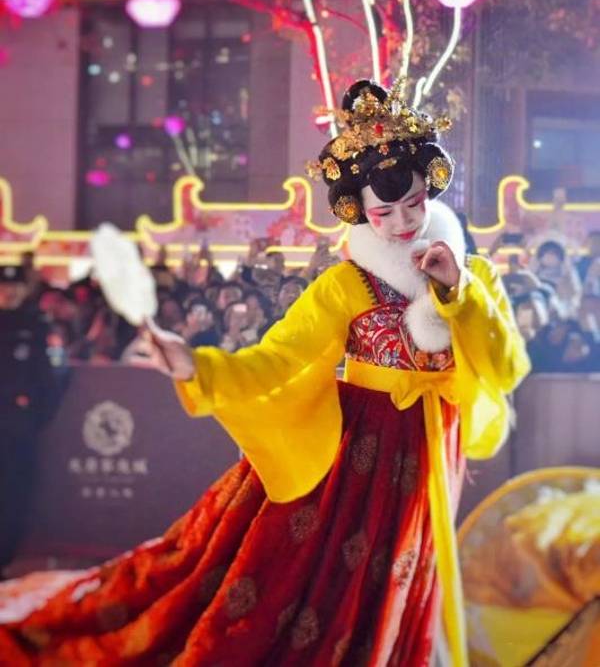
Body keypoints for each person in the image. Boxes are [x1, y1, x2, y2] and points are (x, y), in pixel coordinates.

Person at [0, 80, 530, 666]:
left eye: (414, 203)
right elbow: (276, 359)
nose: (404, 221)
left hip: (432, 443)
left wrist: (459, 290)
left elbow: (507, 366)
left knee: (408, 567)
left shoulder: (472, 273)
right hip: (358, 453)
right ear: (360, 212)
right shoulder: (344, 285)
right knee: (317, 579)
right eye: (385, 211)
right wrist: (196, 365)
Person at [0, 266, 57, 578]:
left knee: (14, 489)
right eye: (3, 286)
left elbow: (46, 376)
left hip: (18, 424)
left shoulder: (34, 324)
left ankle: (5, 556)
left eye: (14, 286)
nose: (9, 292)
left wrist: (33, 415)